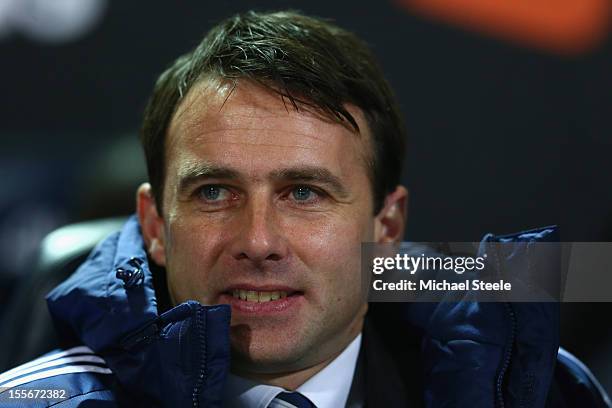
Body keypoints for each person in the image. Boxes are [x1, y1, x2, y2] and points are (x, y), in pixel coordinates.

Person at [0, 10, 609, 408]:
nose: (259, 240)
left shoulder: (546, 395)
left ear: (387, 227)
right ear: (155, 225)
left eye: (304, 193)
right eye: (214, 192)